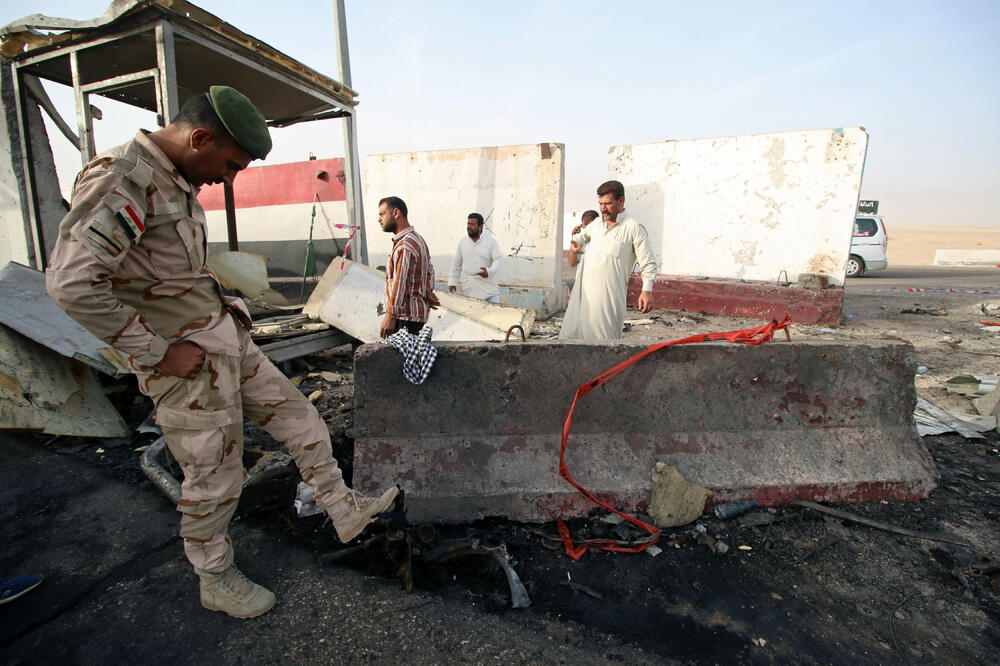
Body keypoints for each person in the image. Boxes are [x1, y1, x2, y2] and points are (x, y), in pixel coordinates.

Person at [45, 86, 398, 619]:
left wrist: (220, 298)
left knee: (303, 419)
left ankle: (342, 508)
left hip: (223, 338)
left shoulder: (174, 178)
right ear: (200, 137)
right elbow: (72, 284)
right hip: (185, 364)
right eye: (229, 165)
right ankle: (215, 576)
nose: (228, 180)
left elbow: (167, 270)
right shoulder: (123, 179)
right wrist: (158, 353)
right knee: (214, 473)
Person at [559, 180, 657, 340]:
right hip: (581, 299)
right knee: (570, 341)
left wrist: (647, 291)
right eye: (600, 204)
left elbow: (648, 263)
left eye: (608, 203)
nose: (603, 209)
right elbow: (580, 238)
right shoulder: (597, 224)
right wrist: (575, 244)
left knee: (603, 347)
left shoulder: (633, 228)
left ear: (621, 201)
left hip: (607, 303)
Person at [377, 196, 440, 338]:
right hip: (415, 317)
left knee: (400, 360)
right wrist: (428, 289)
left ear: (396, 213)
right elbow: (429, 267)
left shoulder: (405, 245)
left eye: (382, 214)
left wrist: (390, 316)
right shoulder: (417, 239)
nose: (379, 219)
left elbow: (400, 283)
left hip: (405, 317)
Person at [447, 213, 503, 302]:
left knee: (494, 314)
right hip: (469, 290)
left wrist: (490, 271)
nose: (469, 226)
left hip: (489, 290)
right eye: (468, 223)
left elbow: (498, 259)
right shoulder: (462, 243)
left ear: (480, 226)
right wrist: (452, 282)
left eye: (472, 224)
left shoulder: (491, 241)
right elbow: (456, 265)